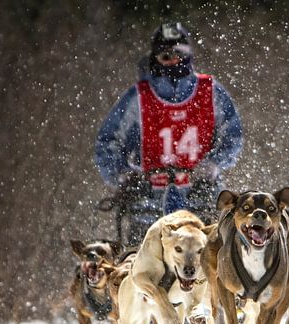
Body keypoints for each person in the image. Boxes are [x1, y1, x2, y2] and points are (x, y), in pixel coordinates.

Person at [95, 22, 243, 245]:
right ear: (155, 58)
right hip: (148, 199)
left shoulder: (209, 91)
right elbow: (107, 141)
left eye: (178, 54)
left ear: (188, 56)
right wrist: (123, 175)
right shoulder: (139, 97)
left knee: (214, 260)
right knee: (143, 266)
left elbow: (234, 134)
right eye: (165, 56)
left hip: (200, 195)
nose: (173, 61)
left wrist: (214, 164)